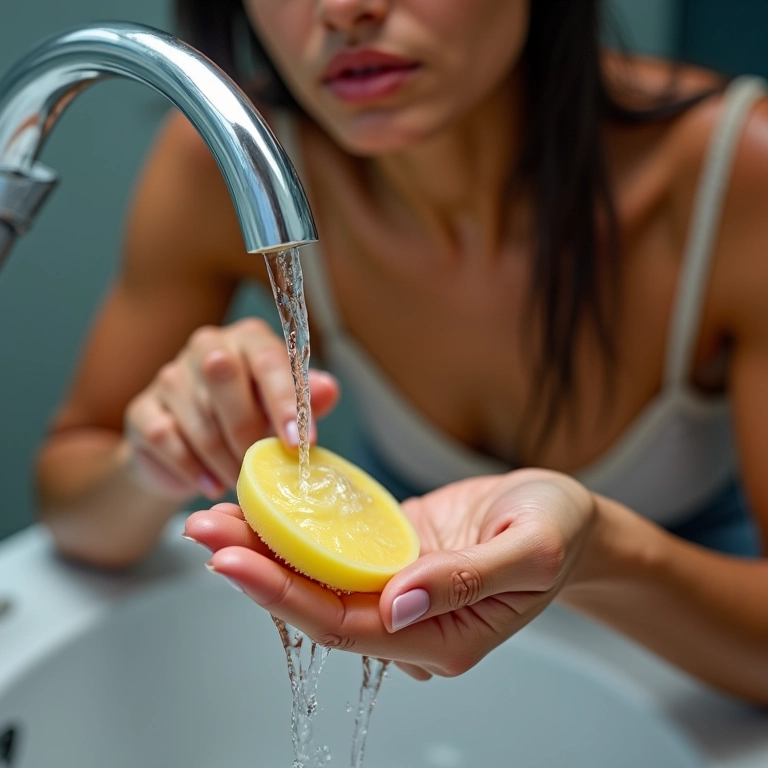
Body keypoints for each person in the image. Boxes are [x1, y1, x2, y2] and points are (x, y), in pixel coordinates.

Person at [36, 0, 768, 704]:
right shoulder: (233, 167)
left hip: (696, 656)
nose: (345, 8)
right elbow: (73, 506)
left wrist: (597, 548)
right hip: (412, 632)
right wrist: (157, 457)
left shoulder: (739, 175)